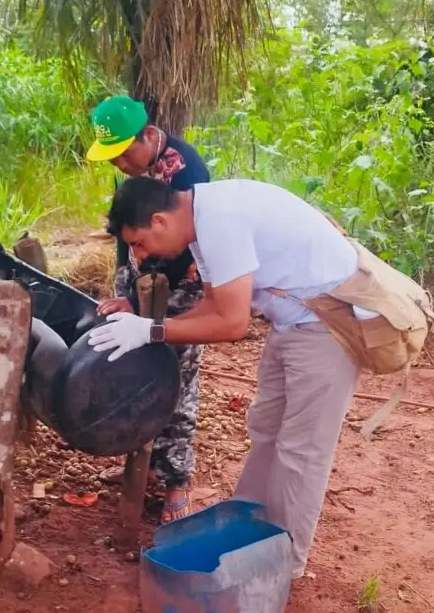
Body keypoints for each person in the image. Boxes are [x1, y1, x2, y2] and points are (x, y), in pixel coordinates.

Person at [86, 176, 380, 579]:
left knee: (302, 451)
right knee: (266, 428)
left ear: (159, 221)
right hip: (293, 322)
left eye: (138, 243)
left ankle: (283, 566)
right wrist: (153, 329)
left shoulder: (219, 221)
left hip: (329, 326)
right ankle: (248, 532)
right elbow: (213, 304)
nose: (140, 255)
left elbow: (233, 323)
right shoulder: (201, 221)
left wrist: (152, 330)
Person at [85, 95, 210, 523]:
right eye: (113, 158)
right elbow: (126, 233)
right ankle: (142, 463)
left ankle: (176, 479)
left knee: (176, 377)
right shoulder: (138, 172)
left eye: (124, 154)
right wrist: (125, 285)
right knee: (136, 370)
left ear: (149, 135)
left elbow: (185, 246)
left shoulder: (186, 173)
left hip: (180, 290)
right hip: (140, 287)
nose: (120, 164)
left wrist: (142, 305)